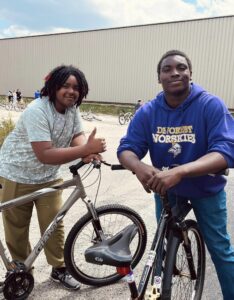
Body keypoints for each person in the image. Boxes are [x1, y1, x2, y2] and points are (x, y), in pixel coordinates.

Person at [117, 50, 234, 300]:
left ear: (191, 74)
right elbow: (126, 149)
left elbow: (226, 151)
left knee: (220, 249)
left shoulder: (210, 104)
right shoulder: (148, 111)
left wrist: (181, 171)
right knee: (160, 249)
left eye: (181, 67)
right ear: (158, 78)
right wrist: (139, 167)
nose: (174, 73)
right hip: (168, 190)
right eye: (167, 69)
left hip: (206, 188)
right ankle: (156, 294)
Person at [0, 65, 106, 290]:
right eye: (65, 85)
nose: (71, 91)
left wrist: (86, 150)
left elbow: (78, 135)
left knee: (55, 224)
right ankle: (21, 274)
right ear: (53, 86)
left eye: (76, 87)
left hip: (49, 175)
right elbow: (45, 154)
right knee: (17, 228)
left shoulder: (72, 109)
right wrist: (85, 149)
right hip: (16, 173)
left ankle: (59, 269)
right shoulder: (37, 110)